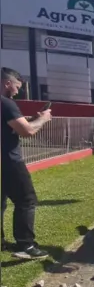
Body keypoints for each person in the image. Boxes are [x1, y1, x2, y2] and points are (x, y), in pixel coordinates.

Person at [1, 67, 52, 259]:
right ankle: (26, 246)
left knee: (1, 203)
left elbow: (10, 127)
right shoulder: (6, 103)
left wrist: (32, 119)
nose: (17, 91)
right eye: (16, 87)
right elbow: (27, 131)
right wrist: (44, 120)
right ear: (7, 83)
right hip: (9, 160)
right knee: (26, 200)